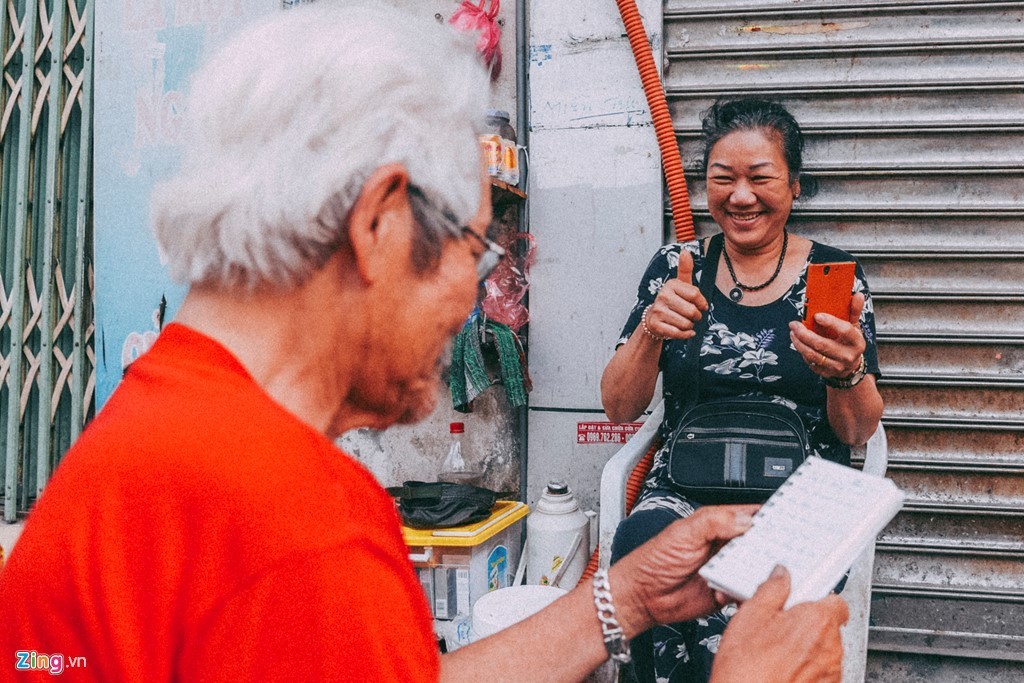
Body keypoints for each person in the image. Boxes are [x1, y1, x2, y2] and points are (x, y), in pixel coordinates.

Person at [0, 6, 849, 682]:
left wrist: (620, 595)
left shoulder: (158, 421)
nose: (478, 297)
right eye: (478, 249)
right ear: (380, 223)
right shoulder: (297, 530)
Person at [601, 98, 884, 682]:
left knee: (766, 589)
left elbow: (858, 431)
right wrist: (652, 330)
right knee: (642, 550)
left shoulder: (835, 278)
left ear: (796, 186)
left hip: (798, 495)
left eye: (761, 177)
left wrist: (845, 374)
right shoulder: (673, 268)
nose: (740, 195)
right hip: (682, 485)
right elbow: (620, 406)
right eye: (722, 178)